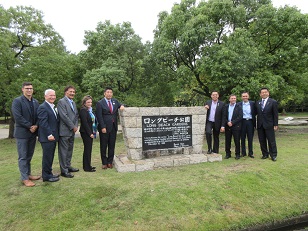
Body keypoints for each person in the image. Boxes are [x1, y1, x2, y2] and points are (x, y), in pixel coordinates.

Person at [11, 82, 40, 187]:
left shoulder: (35, 102)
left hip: (32, 133)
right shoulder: (17, 101)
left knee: (29, 155)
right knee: (23, 156)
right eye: (27, 88)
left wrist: (36, 125)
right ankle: (24, 178)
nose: (29, 90)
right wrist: (29, 126)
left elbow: (38, 115)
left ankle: (28, 174)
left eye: (31, 88)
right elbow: (17, 117)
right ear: (22, 89)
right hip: (22, 133)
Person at [96, 87, 124, 169]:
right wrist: (102, 126)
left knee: (112, 145)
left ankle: (110, 162)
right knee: (104, 145)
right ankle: (104, 162)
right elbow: (99, 116)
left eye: (111, 92)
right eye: (107, 92)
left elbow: (121, 104)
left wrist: (122, 106)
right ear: (104, 93)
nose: (109, 94)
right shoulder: (100, 103)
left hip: (113, 127)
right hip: (105, 127)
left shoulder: (115, 101)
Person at [37, 89, 60, 182]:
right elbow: (43, 123)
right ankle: (46, 176)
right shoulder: (43, 107)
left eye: (54, 95)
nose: (52, 97)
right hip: (47, 137)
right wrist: (49, 134)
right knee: (47, 157)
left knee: (50, 156)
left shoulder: (52, 106)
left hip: (53, 137)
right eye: (50, 95)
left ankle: (49, 173)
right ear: (45, 96)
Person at [57, 85, 79, 178]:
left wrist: (76, 126)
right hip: (64, 131)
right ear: (66, 92)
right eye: (70, 91)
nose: (72, 93)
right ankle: (64, 170)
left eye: (73, 92)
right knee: (63, 151)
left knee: (70, 150)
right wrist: (72, 126)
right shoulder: (61, 102)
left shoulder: (73, 103)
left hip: (72, 131)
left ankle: (68, 166)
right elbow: (64, 116)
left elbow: (76, 115)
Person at [256, 87, 279, 161]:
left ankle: (273, 155)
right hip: (260, 125)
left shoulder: (273, 102)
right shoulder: (258, 102)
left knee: (271, 140)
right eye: (262, 92)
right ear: (260, 94)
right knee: (262, 140)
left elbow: (275, 114)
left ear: (268, 93)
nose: (264, 93)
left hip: (269, 124)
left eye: (265, 92)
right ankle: (265, 154)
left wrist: (276, 124)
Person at [221, 94, 243, 159]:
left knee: (237, 140)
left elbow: (240, 116)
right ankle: (228, 154)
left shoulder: (239, 106)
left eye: (234, 98)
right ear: (229, 99)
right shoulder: (226, 106)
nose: (233, 99)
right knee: (227, 140)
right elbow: (224, 116)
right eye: (232, 98)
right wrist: (227, 122)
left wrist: (232, 122)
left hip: (236, 126)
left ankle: (237, 154)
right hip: (228, 126)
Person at [79, 95, 97, 172]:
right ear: (84, 103)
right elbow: (85, 123)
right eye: (88, 102)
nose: (90, 103)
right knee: (87, 149)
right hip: (86, 132)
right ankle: (87, 167)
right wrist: (90, 133)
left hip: (90, 131)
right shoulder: (83, 110)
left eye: (91, 102)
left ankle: (88, 165)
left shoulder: (89, 110)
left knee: (89, 149)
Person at [238, 92, 256, 158]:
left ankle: (250, 153)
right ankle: (243, 152)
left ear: (248, 97)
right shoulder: (238, 104)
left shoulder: (253, 103)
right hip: (242, 122)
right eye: (243, 96)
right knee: (242, 138)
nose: (245, 97)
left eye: (246, 96)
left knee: (250, 138)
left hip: (250, 122)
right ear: (241, 97)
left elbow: (256, 112)